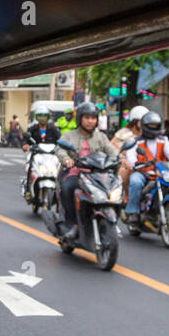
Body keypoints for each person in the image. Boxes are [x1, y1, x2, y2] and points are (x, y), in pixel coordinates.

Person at [56, 102, 119, 240]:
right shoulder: (69, 136)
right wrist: (66, 159)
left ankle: (111, 216)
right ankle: (72, 224)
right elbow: (60, 149)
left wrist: (121, 159)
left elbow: (111, 150)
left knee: (115, 189)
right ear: (80, 118)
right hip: (76, 173)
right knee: (68, 188)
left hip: (97, 174)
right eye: (87, 118)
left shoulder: (101, 137)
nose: (90, 121)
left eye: (93, 118)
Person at [122, 111, 169, 227]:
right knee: (135, 181)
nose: (153, 128)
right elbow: (130, 156)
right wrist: (135, 164)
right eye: (150, 126)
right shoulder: (136, 141)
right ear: (144, 126)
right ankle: (133, 211)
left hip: (161, 173)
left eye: (155, 126)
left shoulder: (163, 140)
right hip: (142, 172)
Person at [112, 105, 148, 201]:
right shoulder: (123, 133)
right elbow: (112, 147)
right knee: (124, 170)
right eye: (142, 121)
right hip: (126, 162)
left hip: (145, 163)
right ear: (135, 121)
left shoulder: (148, 133)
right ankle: (127, 197)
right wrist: (122, 155)